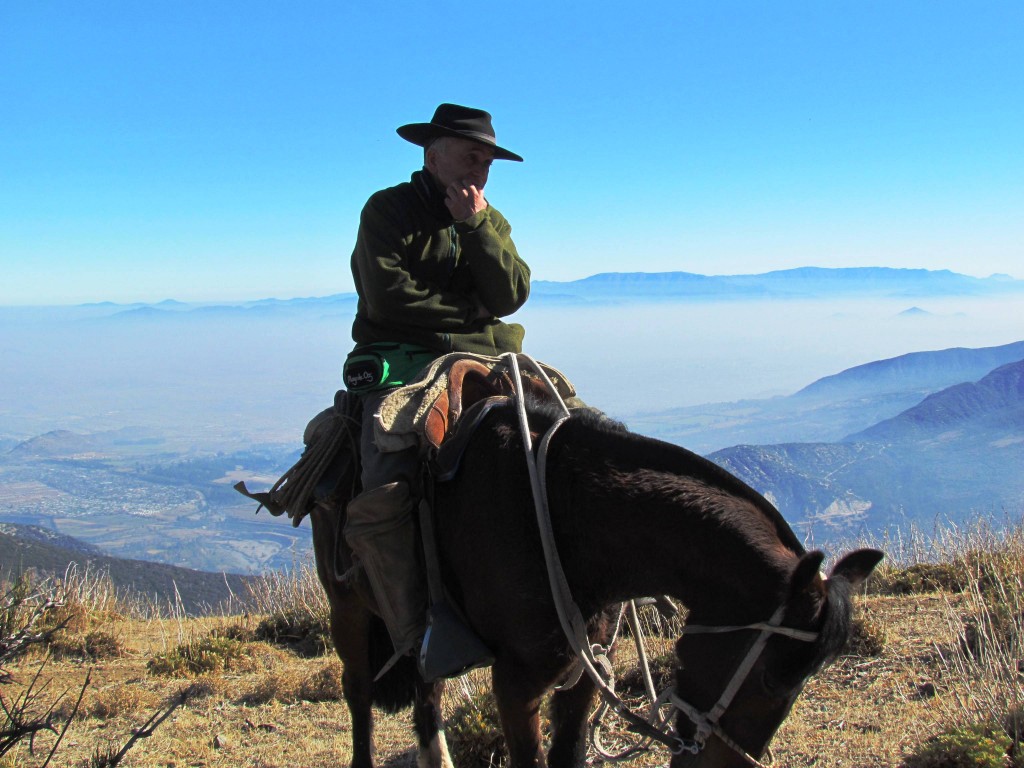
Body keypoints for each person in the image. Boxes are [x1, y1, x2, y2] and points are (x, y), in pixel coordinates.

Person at [341, 103, 530, 660]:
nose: (481, 168)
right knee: (388, 471)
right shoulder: (388, 210)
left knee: (572, 426)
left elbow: (512, 293)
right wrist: (471, 318)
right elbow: (388, 295)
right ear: (433, 153)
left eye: (489, 160)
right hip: (400, 357)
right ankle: (413, 628)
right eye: (472, 155)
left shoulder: (488, 218)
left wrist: (476, 226)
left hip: (492, 357)